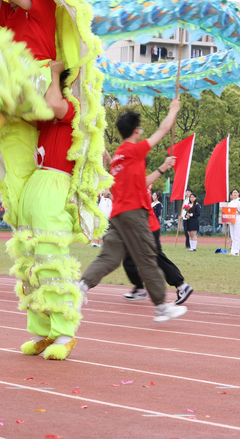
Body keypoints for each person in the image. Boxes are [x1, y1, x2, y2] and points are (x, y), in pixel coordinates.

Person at [10, 62, 91, 359]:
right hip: (35, 184)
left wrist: (54, 73)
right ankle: (43, 330)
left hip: (56, 182)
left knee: (50, 259)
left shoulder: (74, 106)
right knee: (29, 263)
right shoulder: (47, 114)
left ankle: (65, 331)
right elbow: (21, 110)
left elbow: (53, 103)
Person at [80, 99, 188, 323]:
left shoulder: (118, 156)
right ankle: (161, 307)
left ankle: (81, 287)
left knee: (108, 257)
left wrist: (162, 167)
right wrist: (173, 109)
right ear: (136, 130)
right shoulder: (135, 150)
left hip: (118, 216)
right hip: (134, 215)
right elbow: (163, 129)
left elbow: (139, 184)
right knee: (147, 258)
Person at [123, 182, 193, 304]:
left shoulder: (135, 182)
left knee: (131, 259)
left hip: (145, 227)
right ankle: (180, 286)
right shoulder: (139, 179)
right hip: (148, 226)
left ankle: (141, 288)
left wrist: (108, 194)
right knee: (151, 257)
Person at [222, 189, 240, 256]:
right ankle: (233, 250)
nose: (235, 194)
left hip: (237, 218)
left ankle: (236, 251)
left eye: (236, 192)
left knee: (237, 235)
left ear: (238, 194)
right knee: (232, 235)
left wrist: (237, 210)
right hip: (231, 219)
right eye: (233, 193)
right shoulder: (230, 203)